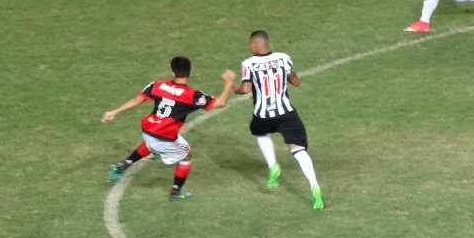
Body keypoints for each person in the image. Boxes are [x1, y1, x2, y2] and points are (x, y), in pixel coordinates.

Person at [101, 56, 236, 200]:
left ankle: (124, 164)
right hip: (163, 137)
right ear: (190, 71)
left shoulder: (156, 85)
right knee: (186, 156)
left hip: (148, 130)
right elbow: (220, 103)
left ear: (172, 72)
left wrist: (113, 112)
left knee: (151, 143)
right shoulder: (192, 95)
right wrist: (229, 82)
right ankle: (175, 192)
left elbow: (136, 100)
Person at [232, 30, 325, 210]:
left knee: (259, 132)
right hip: (286, 113)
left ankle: (273, 165)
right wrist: (290, 74)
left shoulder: (248, 63)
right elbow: (296, 82)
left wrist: (232, 88)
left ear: (254, 45)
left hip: (263, 114)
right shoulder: (284, 58)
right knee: (298, 150)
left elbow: (245, 89)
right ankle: (314, 186)